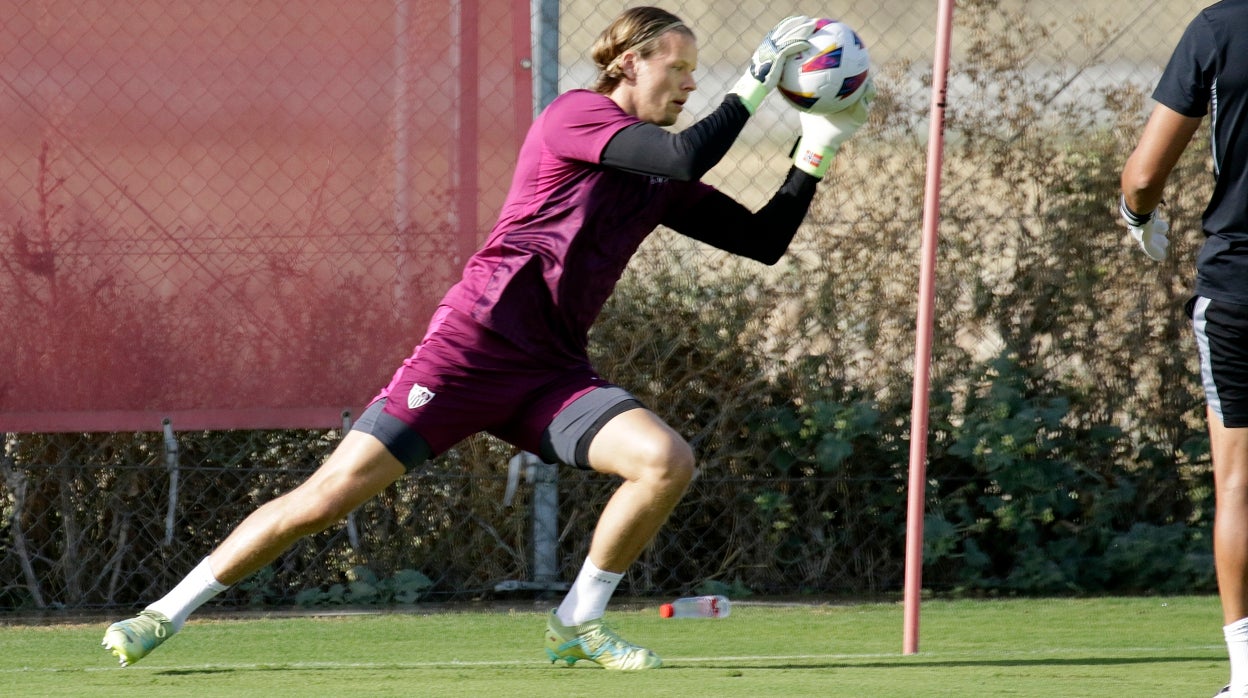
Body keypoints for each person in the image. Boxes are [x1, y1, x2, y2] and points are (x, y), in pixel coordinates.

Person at [102, 7, 873, 671]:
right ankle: (163, 612)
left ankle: (577, 625)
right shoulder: (575, 115)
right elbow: (684, 151)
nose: (691, 84)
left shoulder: (657, 178)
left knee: (665, 461)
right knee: (326, 499)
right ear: (630, 64)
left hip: (551, 376)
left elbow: (763, 240)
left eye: (697, 74)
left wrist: (819, 143)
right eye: (679, 68)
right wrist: (757, 79)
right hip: (468, 353)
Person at [1119, 2, 1248, 696]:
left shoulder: (1220, 28)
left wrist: (1136, 217)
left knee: (1239, 487)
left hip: (1238, 287)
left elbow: (1143, 177)